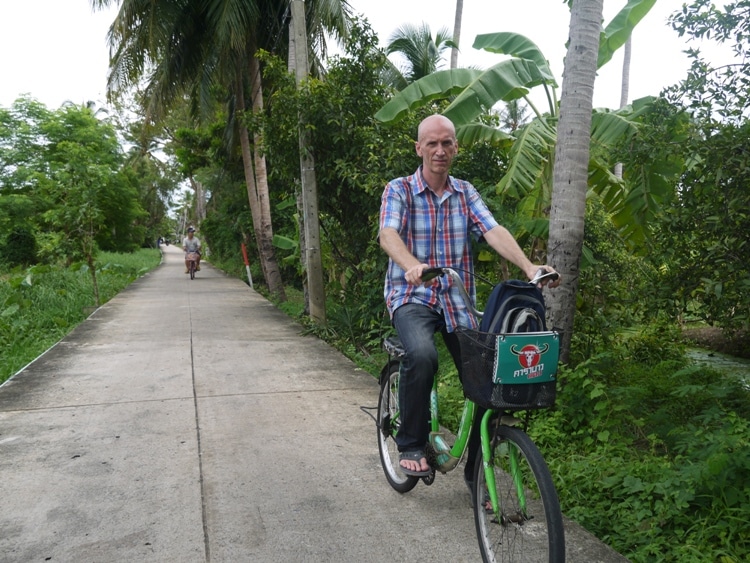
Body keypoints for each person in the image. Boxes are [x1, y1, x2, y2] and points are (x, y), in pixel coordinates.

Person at [378, 114, 561, 482]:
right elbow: (388, 234)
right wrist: (412, 265)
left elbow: (492, 230)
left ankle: (477, 471)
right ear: (419, 148)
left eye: (447, 143)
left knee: (488, 379)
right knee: (423, 355)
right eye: (432, 143)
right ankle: (411, 442)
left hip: (457, 301)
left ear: (456, 147)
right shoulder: (399, 190)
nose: (440, 150)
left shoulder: (465, 192)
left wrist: (528, 267)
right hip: (412, 295)